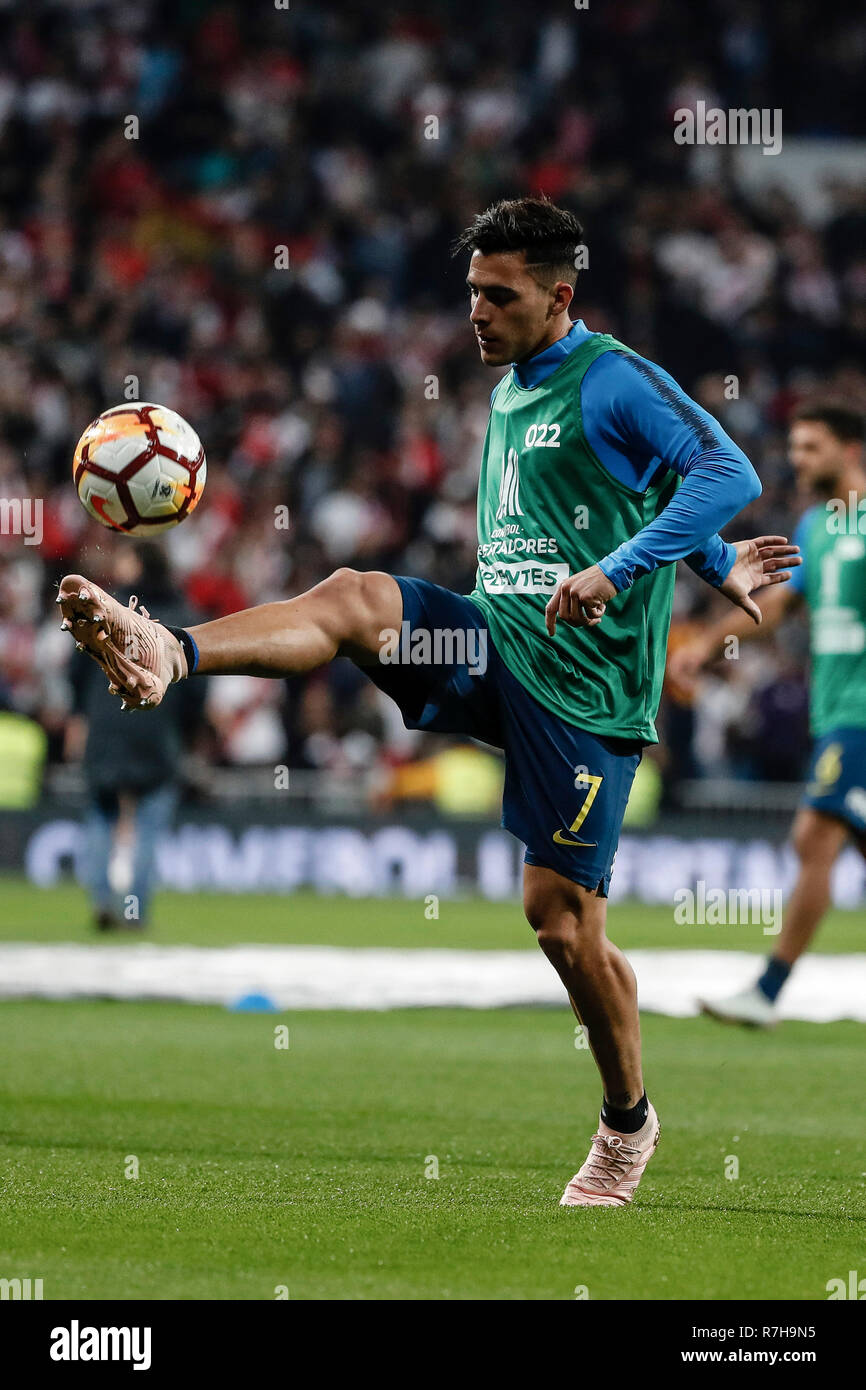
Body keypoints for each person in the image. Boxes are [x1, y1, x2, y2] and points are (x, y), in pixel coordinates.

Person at [55, 196, 798, 1205]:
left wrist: (629, 571)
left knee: (563, 926)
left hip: (586, 697)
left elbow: (724, 469)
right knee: (358, 597)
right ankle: (169, 651)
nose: (476, 315)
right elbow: (638, 489)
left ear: (558, 297)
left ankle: (626, 1119)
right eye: (469, 295)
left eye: (498, 296)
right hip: (491, 641)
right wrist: (707, 561)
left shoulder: (613, 378)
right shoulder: (509, 389)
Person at [668, 404, 865, 1027]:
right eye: (795, 448)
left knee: (813, 837)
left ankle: (768, 991)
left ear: (850, 449)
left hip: (859, 716)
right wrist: (704, 643)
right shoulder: (814, 527)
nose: (797, 460)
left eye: (811, 448)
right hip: (833, 708)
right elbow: (780, 607)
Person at [65, 543, 207, 930]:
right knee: (148, 825)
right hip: (158, 731)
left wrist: (79, 719)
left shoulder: (105, 613)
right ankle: (136, 912)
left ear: (139, 566)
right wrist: (187, 732)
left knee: (100, 815)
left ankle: (102, 899)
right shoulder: (183, 617)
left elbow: (76, 672)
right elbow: (197, 690)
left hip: (107, 730)